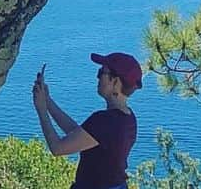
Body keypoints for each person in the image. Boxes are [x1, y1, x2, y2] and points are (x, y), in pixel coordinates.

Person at [32, 51, 141, 189]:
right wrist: (47, 101)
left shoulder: (104, 121)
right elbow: (79, 134)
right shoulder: (128, 119)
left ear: (116, 81)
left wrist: (41, 110)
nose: (98, 77)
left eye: (102, 72)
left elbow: (57, 148)